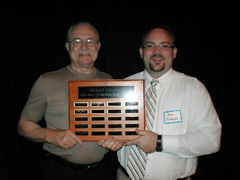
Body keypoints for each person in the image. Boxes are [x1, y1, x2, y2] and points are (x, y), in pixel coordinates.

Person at [98, 25, 222, 180]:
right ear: (141, 52)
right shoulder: (123, 86)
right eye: (150, 46)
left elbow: (211, 140)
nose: (157, 52)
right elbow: (113, 129)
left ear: (174, 52)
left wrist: (159, 142)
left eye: (164, 46)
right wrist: (114, 140)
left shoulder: (193, 88)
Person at [18, 22, 113, 180]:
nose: (84, 46)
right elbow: (23, 125)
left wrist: (117, 139)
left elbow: (114, 124)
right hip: (59, 172)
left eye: (90, 41)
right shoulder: (47, 81)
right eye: (77, 41)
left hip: (100, 172)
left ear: (98, 46)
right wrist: (51, 135)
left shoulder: (109, 80)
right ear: (68, 46)